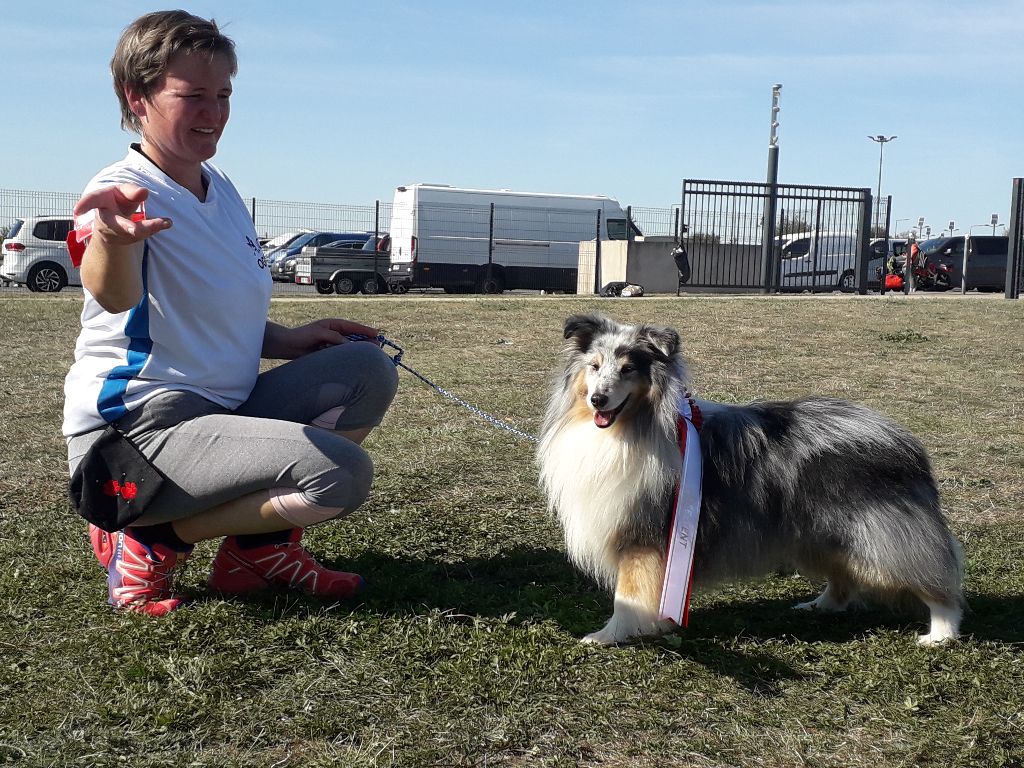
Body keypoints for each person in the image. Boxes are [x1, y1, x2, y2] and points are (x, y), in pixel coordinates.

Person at [64, 10, 399, 616]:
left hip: (218, 413)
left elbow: (210, 315)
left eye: (223, 95)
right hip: (134, 435)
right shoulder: (120, 191)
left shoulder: (218, 189)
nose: (214, 113)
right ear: (135, 97)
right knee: (339, 475)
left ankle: (253, 553)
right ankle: (151, 539)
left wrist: (292, 339)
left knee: (366, 370)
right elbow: (112, 296)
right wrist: (112, 240)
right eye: (192, 96)